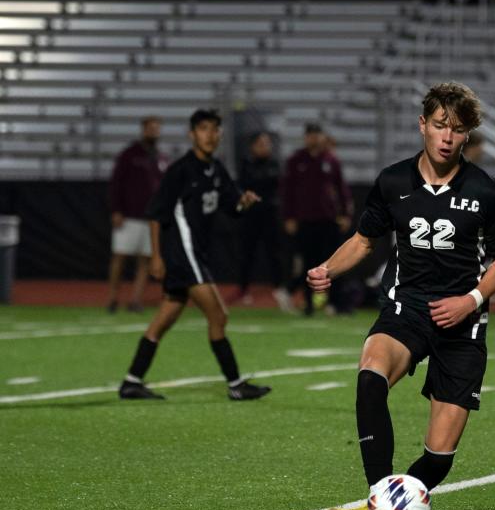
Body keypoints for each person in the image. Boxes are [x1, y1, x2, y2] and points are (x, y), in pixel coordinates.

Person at [311, 82, 495, 510]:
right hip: (406, 309)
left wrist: (472, 300)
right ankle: (378, 500)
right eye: (440, 125)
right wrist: (328, 269)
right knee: (370, 376)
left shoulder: (488, 191)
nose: (447, 136)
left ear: (468, 137)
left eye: (457, 130)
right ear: (422, 125)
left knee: (439, 457)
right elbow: (364, 240)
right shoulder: (393, 182)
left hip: (463, 322)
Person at [118, 109, 272, 402]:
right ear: (192, 134)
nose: (210, 135)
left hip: (194, 252)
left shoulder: (216, 170)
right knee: (218, 314)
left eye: (215, 130)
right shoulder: (180, 170)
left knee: (164, 319)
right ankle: (236, 384)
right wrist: (156, 256)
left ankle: (131, 381)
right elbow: (155, 214)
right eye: (203, 129)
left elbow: (231, 207)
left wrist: (244, 203)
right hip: (182, 252)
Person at [278, 123, 354, 315]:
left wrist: (345, 213)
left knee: (332, 262)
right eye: (310, 135)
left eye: (317, 134)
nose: (314, 138)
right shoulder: (296, 160)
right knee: (308, 263)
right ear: (306, 137)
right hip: (305, 220)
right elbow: (287, 192)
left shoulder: (330, 160)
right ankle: (309, 303)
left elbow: (341, 189)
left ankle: (334, 303)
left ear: (322, 137)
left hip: (327, 219)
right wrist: (289, 217)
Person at [107, 116, 166, 313]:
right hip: (129, 214)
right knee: (120, 256)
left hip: (151, 218)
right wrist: (116, 209)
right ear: (143, 129)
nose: (154, 132)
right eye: (151, 128)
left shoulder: (161, 157)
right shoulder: (129, 154)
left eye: (157, 129)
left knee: (146, 260)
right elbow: (117, 182)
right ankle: (113, 298)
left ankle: (135, 300)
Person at [235, 131, 283, 305]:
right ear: (253, 146)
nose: (265, 147)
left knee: (274, 253)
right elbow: (244, 185)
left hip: (270, 215)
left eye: (267, 143)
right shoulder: (246, 164)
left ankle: (278, 289)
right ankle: (243, 290)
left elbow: (273, 183)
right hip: (251, 216)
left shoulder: (274, 164)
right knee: (247, 253)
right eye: (261, 143)